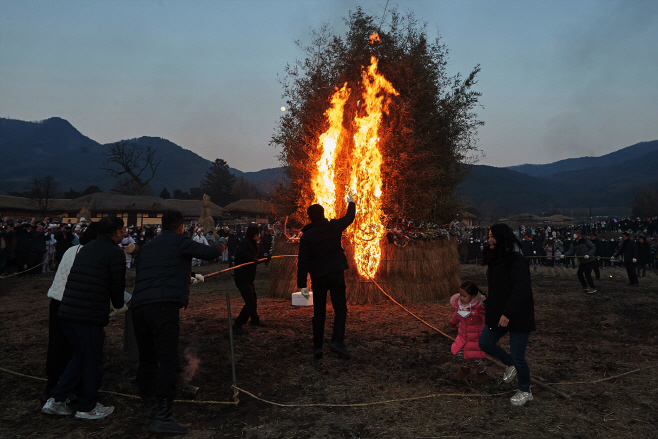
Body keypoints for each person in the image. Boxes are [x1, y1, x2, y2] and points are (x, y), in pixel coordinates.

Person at [130, 210, 223, 434]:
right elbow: (209, 253)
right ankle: (163, 415)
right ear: (181, 227)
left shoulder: (149, 246)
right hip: (163, 307)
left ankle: (149, 409)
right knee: (167, 360)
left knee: (147, 359)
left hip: (139, 306)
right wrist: (222, 243)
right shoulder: (180, 240)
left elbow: (160, 271)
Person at [41, 216, 126, 420]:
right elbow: (116, 288)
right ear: (117, 232)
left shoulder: (84, 248)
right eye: (122, 231)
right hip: (87, 313)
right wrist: (119, 304)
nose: (124, 233)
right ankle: (87, 406)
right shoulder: (114, 253)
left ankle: (57, 399)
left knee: (79, 355)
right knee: (92, 358)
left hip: (66, 309)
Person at [478, 223, 536, 407]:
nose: (490, 240)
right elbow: (500, 288)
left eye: (493, 236)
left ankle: (525, 390)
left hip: (518, 313)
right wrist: (488, 300)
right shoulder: (496, 259)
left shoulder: (515, 260)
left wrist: (508, 312)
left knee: (519, 355)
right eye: (488, 236)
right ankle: (509, 363)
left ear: (503, 237)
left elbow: (521, 287)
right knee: (485, 343)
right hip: (499, 311)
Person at [42, 222, 99, 403]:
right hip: (73, 304)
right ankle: (69, 390)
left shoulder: (71, 250)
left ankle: (52, 387)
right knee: (79, 349)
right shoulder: (90, 254)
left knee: (58, 347)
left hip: (57, 301)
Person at [297, 194, 356, 360]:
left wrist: (302, 285)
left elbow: (303, 262)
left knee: (319, 312)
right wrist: (351, 202)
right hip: (336, 275)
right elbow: (350, 217)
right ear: (323, 214)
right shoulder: (334, 227)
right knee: (340, 309)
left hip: (318, 278)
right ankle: (337, 342)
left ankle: (317, 347)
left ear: (309, 217)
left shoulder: (307, 236)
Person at [448, 280, 487, 383]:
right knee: (458, 352)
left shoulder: (479, 308)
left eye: (464, 296)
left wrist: (486, 316)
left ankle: (482, 372)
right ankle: (465, 369)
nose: (461, 298)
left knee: (475, 357)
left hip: (475, 338)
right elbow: (457, 314)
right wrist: (453, 321)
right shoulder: (460, 305)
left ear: (473, 296)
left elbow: (487, 321)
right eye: (460, 295)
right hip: (463, 335)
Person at [232, 225, 262, 335]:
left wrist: (265, 259)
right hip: (242, 278)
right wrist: (251, 258)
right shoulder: (245, 243)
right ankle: (237, 325)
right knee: (250, 302)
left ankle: (254, 320)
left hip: (248, 277)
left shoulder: (253, 244)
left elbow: (255, 258)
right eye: (259, 234)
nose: (260, 236)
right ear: (255, 235)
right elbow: (240, 253)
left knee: (253, 297)